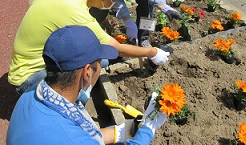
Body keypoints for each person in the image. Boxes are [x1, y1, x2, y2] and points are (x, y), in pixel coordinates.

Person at [8, 0, 170, 95]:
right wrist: (153, 52)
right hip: (29, 78)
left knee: (101, 58)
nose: (117, 1)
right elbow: (118, 49)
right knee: (95, 64)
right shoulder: (76, 12)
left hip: (24, 64)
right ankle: (76, 104)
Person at [7, 25, 167, 145]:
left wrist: (121, 132)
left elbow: (83, 135)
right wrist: (148, 129)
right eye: (99, 63)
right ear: (87, 72)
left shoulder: (35, 92)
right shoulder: (69, 138)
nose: (100, 66)